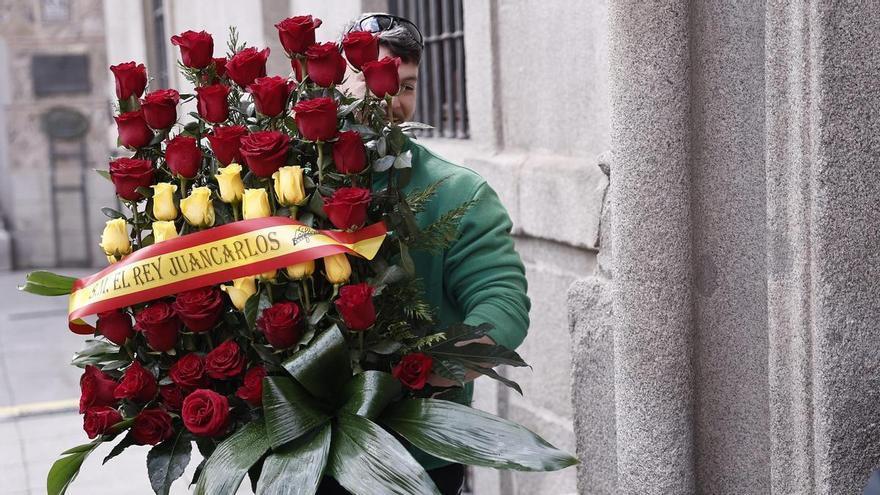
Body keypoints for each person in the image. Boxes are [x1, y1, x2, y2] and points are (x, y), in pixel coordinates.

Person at [317, 13, 531, 495]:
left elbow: (503, 303)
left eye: (406, 85)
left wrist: (431, 371)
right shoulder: (287, 184)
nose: (391, 99)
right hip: (304, 459)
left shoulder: (457, 192)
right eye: (370, 79)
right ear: (334, 82)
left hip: (417, 460)